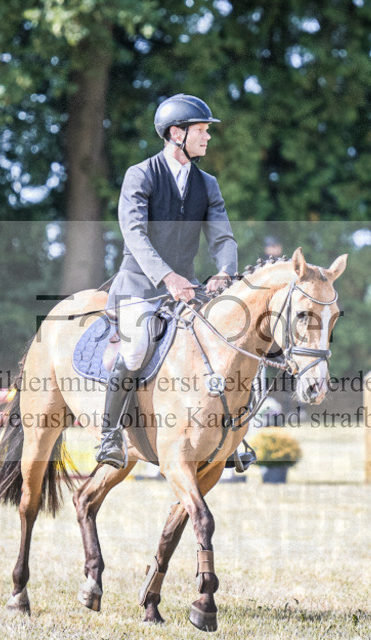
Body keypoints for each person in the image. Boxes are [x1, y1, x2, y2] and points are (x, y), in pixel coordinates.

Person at [96, 94, 238, 468]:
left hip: (186, 288)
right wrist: (167, 276)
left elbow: (222, 236)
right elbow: (134, 233)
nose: (207, 138)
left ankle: (230, 436)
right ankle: (109, 436)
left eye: (208, 131)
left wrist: (225, 270)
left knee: (225, 342)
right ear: (177, 133)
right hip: (140, 287)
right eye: (201, 131)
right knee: (136, 348)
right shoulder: (140, 175)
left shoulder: (207, 184)